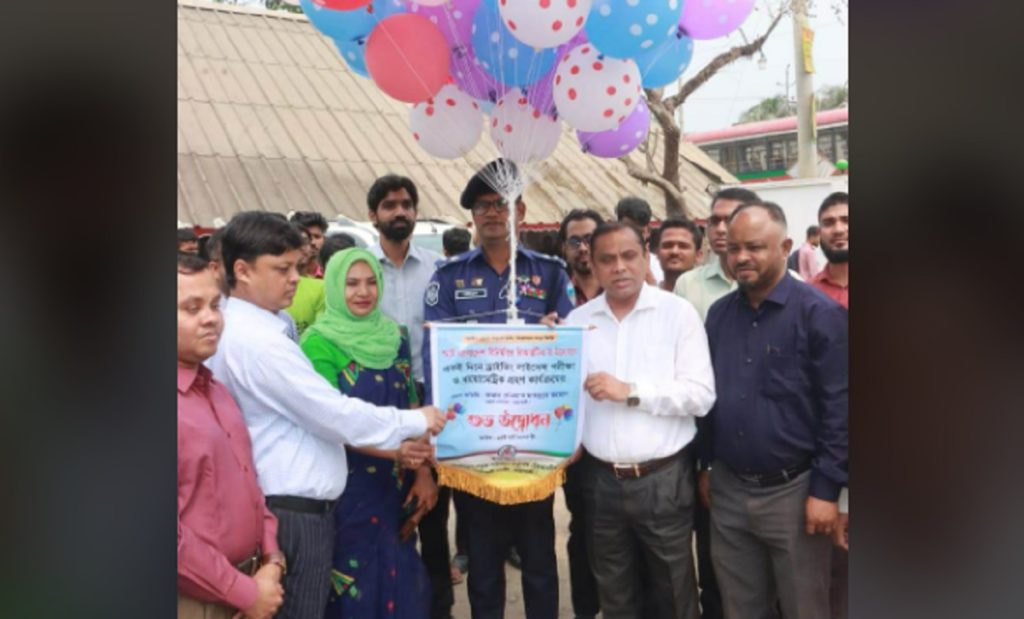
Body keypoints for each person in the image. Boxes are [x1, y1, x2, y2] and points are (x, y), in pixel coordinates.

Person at [206, 212, 446, 619]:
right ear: (242, 271)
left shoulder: (271, 326)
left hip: (314, 502)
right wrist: (415, 422)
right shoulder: (260, 344)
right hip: (293, 509)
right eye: (282, 269)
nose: (296, 279)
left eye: (297, 267)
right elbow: (331, 413)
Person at [423, 159, 575, 619]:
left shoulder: (550, 273)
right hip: (475, 442)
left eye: (501, 204)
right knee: (484, 566)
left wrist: (553, 332)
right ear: (472, 216)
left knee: (540, 560)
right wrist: (438, 434)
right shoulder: (449, 277)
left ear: (520, 211)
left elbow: (570, 349)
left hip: (532, 439)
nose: (492, 213)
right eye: (482, 206)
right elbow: (435, 357)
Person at [702, 202, 847, 619]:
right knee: (740, 607)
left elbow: (840, 409)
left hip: (795, 494)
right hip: (729, 490)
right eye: (733, 248)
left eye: (755, 247)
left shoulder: (821, 315)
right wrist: (706, 466)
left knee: (805, 607)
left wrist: (825, 491)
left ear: (785, 247)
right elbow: (709, 398)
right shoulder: (718, 316)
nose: (741, 257)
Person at [564, 222, 716, 619]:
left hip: (662, 479)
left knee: (673, 592)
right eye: (607, 259)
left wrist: (630, 391)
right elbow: (565, 399)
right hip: (599, 481)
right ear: (593, 265)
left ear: (645, 256)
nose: (619, 267)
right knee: (615, 594)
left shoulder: (677, 313)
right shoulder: (576, 322)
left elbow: (700, 395)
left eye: (628, 256)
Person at [301, 248, 436, 619]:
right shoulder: (317, 343)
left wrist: (423, 473)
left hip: (398, 485)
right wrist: (396, 453)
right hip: (348, 488)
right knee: (352, 585)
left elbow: (413, 408)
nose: (363, 292)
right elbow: (329, 421)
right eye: (351, 283)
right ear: (333, 286)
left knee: (402, 580)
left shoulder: (395, 335)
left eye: (370, 282)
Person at [178, 252, 285, 619]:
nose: (210, 318)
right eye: (191, 308)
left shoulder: (216, 391)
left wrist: (271, 558)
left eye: (214, 305)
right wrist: (243, 592)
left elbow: (249, 484)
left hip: (248, 586)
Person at [364, 174, 452, 619]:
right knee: (384, 518)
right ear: (373, 215)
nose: (399, 212)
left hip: (432, 405)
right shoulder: (360, 272)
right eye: (389, 205)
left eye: (406, 204)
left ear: (416, 212)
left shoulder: (438, 269)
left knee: (433, 516)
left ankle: (439, 609)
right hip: (378, 407)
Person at [554, 208, 605, 619]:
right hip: (572, 438)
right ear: (564, 248)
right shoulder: (553, 293)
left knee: (617, 532)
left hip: (613, 433)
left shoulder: (623, 288)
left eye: (591, 238)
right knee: (583, 527)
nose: (584, 247)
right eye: (576, 240)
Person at [808, 191, 849, 619]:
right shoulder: (807, 298)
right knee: (836, 575)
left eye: (846, 220)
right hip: (830, 454)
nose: (838, 229)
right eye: (830, 221)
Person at [673, 187, 760, 321]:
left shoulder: (782, 283)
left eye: (730, 220)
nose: (720, 229)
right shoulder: (687, 284)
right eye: (714, 221)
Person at [286, 223, 327, 337]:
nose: (301, 248)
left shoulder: (321, 287)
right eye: (294, 243)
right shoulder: (268, 288)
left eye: (304, 242)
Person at [810, 192, 849, 309]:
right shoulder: (806, 293)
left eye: (846, 220)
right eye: (828, 223)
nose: (838, 230)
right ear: (819, 233)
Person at [558, 209, 604, 306]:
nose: (582, 248)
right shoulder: (556, 295)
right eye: (574, 242)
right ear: (564, 249)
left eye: (589, 239)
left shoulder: (619, 291)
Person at [615, 196, 662, 285]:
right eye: (628, 231)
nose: (633, 238)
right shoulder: (605, 263)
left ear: (648, 231)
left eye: (639, 232)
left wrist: (647, 275)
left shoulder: (660, 266)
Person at [656, 218, 704, 293]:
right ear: (657, 253)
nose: (674, 251)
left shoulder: (710, 297)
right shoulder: (644, 296)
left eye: (683, 246)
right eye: (667, 245)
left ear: (698, 255)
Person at [290, 211, 329, 277]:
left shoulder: (330, 274)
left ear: (324, 239)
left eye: (317, 237)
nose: (312, 242)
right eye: (306, 238)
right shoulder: (285, 276)